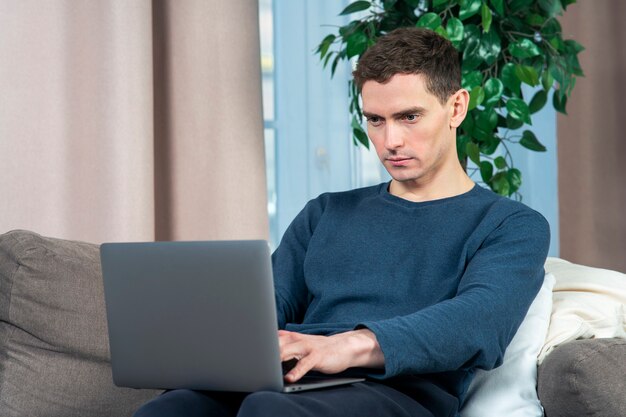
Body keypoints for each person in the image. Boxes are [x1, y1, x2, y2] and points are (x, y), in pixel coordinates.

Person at [134, 27, 550, 417]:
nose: (390, 141)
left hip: (398, 392)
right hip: (294, 379)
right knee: (172, 408)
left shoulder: (510, 224)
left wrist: (351, 345)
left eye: (409, 117)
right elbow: (270, 306)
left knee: (268, 409)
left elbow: (479, 321)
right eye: (375, 120)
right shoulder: (326, 212)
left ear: (456, 107)